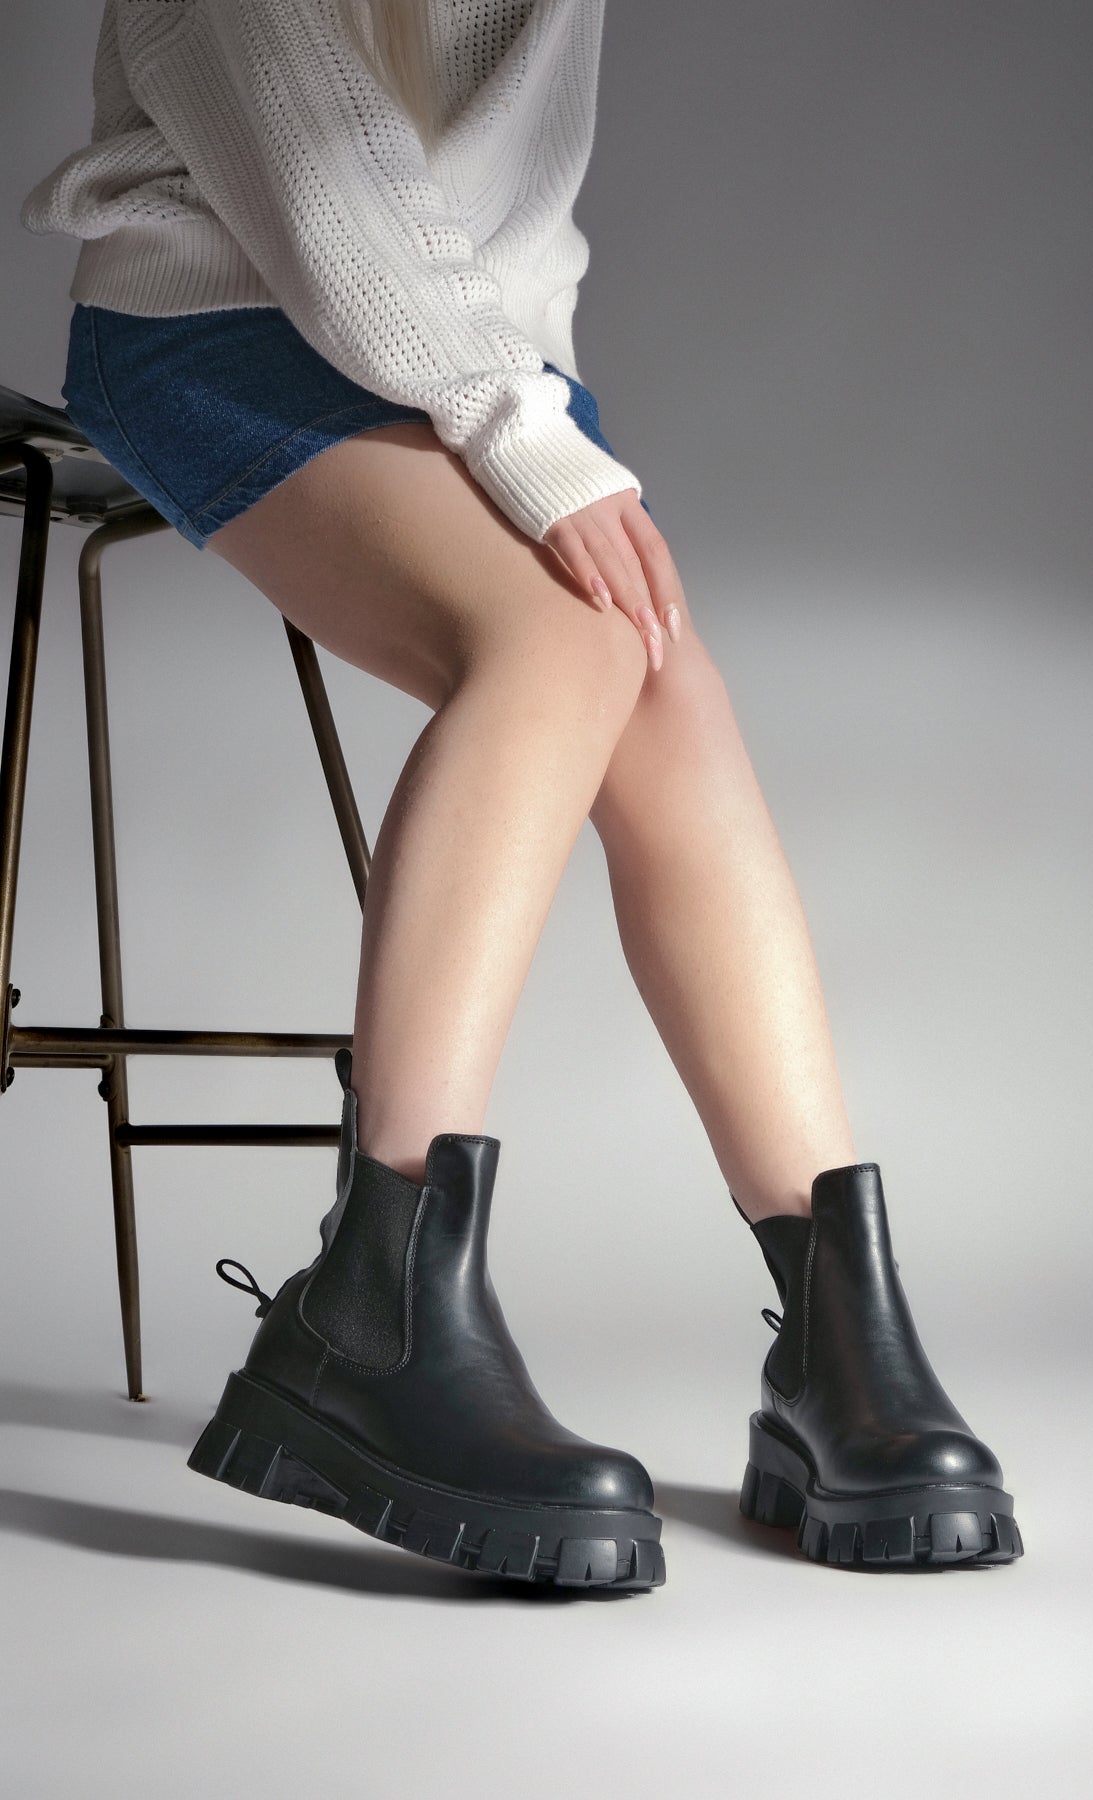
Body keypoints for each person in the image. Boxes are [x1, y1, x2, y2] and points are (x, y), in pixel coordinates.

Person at [19, 0, 1022, 1588]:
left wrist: (513, 398)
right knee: (569, 641)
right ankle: (373, 1309)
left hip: (474, 350)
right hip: (227, 313)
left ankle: (838, 1325)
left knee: (666, 685)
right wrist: (518, 429)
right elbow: (317, 167)